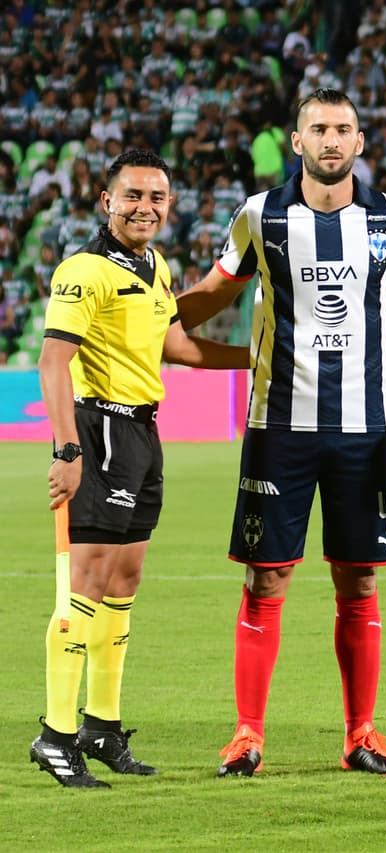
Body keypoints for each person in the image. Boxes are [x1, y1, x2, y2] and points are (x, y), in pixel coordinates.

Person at [176, 89, 386, 778]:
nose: (332, 140)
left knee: (360, 578)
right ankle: (247, 734)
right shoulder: (261, 215)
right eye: (319, 128)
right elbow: (215, 292)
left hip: (362, 428)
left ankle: (360, 733)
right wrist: (151, 312)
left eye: (344, 128)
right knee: (267, 576)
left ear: (361, 140)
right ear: (297, 140)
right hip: (277, 424)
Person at [31, 149, 248, 788]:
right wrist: (67, 452)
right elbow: (52, 363)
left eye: (156, 197)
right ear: (107, 202)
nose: (144, 207)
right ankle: (55, 735)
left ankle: (101, 725)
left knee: (124, 582)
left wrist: (256, 356)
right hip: (96, 431)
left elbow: (175, 346)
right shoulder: (84, 270)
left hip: (141, 432)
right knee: (86, 584)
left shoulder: (154, 267)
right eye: (132, 196)